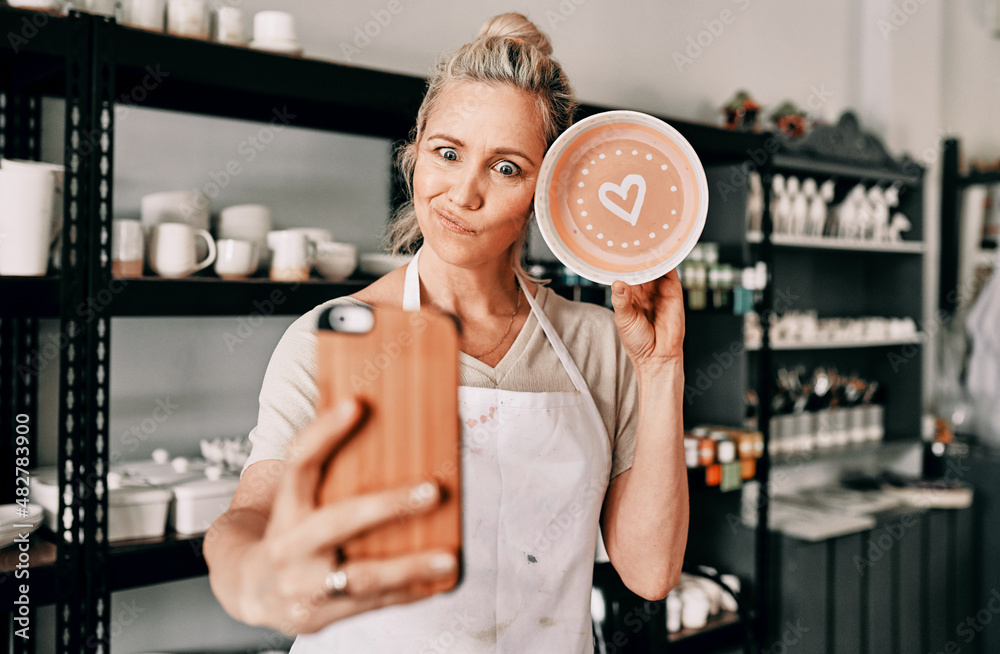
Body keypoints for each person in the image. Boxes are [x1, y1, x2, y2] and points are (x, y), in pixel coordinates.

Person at [205, 12, 688, 652]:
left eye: (507, 167)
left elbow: (650, 572)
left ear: (546, 191)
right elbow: (254, 512)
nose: (464, 192)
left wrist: (661, 370)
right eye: (448, 153)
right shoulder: (337, 336)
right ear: (415, 155)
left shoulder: (599, 345)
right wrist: (248, 565)